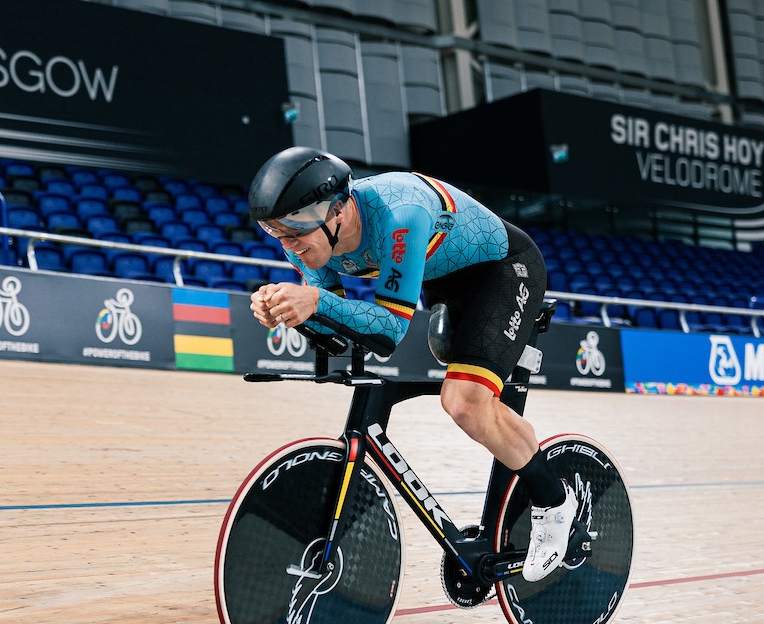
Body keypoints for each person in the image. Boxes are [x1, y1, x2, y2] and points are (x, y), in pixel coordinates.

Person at [246, 146, 577, 582]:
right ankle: (515, 439)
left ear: (339, 211)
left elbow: (386, 335)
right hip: (442, 278)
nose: (288, 245)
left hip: (504, 269)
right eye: (276, 233)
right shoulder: (304, 237)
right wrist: (294, 315)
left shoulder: (399, 214)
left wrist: (315, 301)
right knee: (465, 381)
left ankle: (554, 501)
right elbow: (339, 334)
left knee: (464, 402)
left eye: (296, 231)